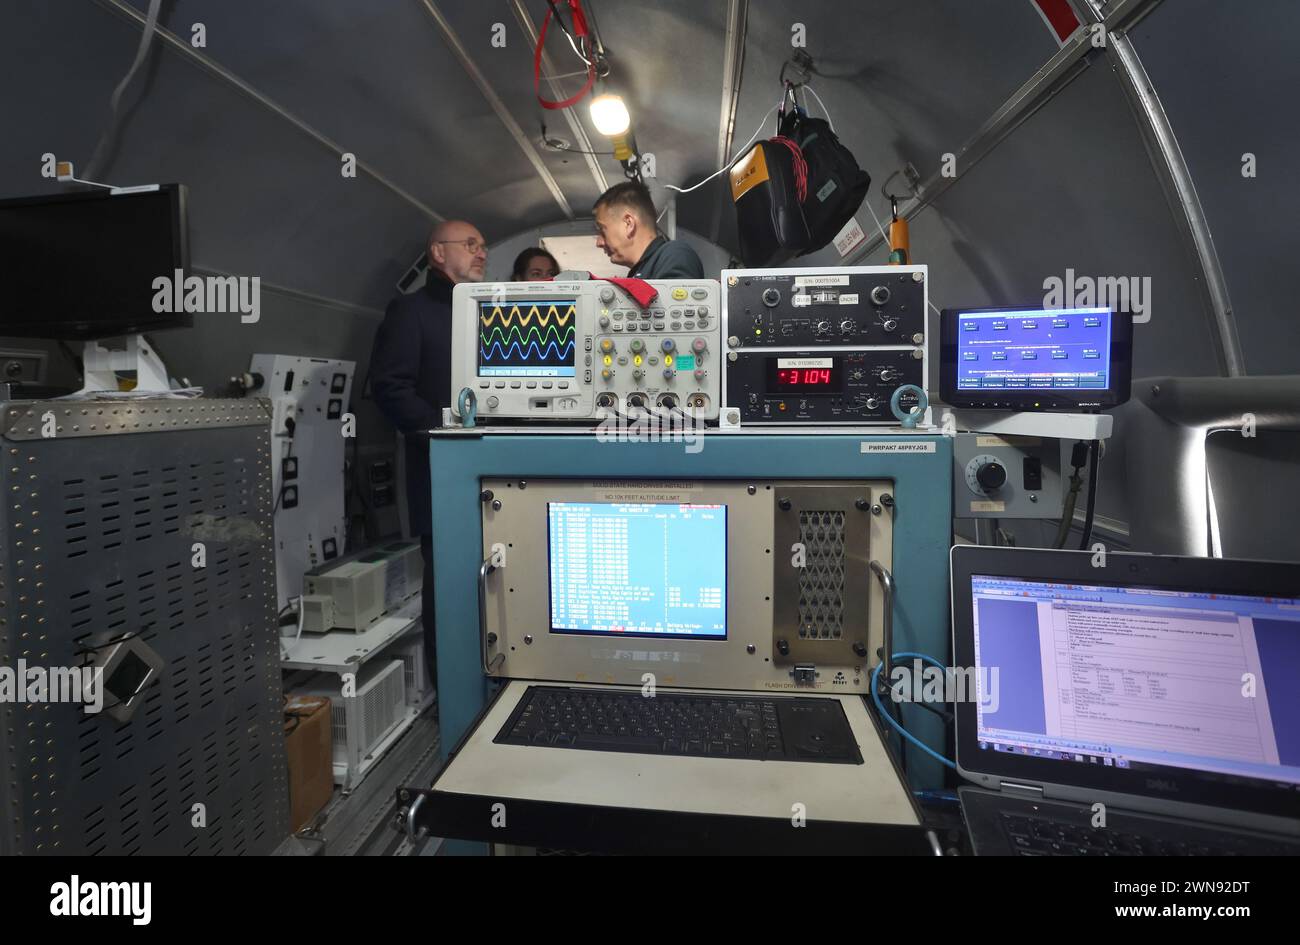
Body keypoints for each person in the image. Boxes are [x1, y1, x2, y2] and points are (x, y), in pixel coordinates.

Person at [369, 219, 487, 689]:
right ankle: (454, 698)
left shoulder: (486, 311)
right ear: (438, 253)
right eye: (471, 244)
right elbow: (390, 388)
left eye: (484, 246)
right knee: (451, 594)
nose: (481, 253)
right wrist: (445, 434)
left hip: (495, 473)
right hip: (442, 480)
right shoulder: (411, 311)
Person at [592, 181, 704, 279]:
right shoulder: (641, 272)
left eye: (602, 230)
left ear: (628, 224)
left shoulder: (674, 254)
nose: (599, 243)